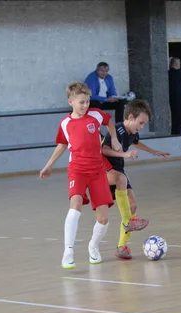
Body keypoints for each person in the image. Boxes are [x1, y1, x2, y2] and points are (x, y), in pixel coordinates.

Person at [39, 82, 122, 269]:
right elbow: (62, 144)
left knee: (103, 219)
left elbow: (109, 123)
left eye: (88, 101)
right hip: (77, 169)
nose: (85, 105)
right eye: (81, 102)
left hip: (97, 171)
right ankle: (68, 251)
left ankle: (93, 246)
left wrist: (115, 140)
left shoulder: (95, 115)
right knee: (75, 205)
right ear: (71, 102)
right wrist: (49, 165)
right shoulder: (65, 123)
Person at [100, 99, 171, 259]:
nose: (141, 127)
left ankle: (121, 247)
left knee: (132, 206)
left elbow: (136, 143)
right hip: (105, 170)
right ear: (130, 117)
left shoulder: (132, 132)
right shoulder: (117, 130)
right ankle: (128, 222)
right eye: (141, 123)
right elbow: (104, 150)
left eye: (144, 124)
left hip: (119, 170)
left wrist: (154, 151)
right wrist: (125, 154)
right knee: (120, 181)